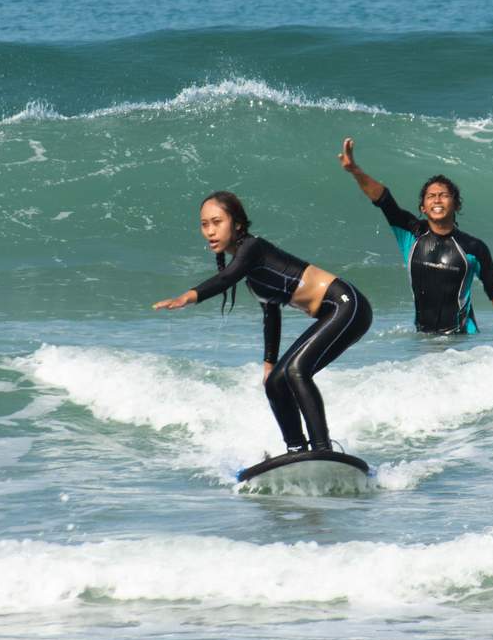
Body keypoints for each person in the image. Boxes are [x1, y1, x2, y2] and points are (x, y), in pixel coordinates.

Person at [153, 191, 372, 453]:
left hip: (346, 305)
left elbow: (225, 279)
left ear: (237, 224)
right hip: (334, 312)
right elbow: (271, 314)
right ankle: (297, 451)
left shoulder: (252, 248)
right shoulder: (252, 272)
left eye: (217, 222)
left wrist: (188, 297)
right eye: (204, 224)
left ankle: (322, 449)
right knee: (275, 382)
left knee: (296, 371)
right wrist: (269, 364)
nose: (210, 231)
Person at [338, 137, 493, 336]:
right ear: (423, 208)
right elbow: (383, 199)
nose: (437, 199)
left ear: (456, 205)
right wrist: (355, 170)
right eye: (431, 196)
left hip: (463, 340)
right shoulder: (411, 232)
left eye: (444, 195)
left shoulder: (473, 247)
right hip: (424, 340)